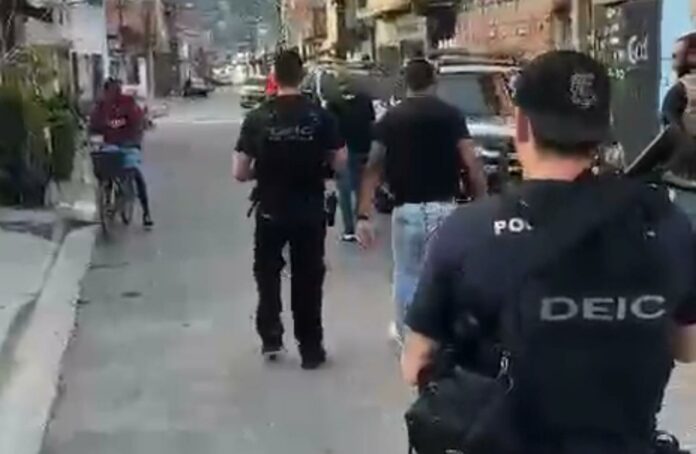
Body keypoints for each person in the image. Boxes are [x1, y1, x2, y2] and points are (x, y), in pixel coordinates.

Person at [403, 50, 696, 453]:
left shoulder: (467, 231)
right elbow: (687, 346)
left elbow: (415, 364)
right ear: (601, 131)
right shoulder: (663, 223)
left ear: (522, 125)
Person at [356, 58, 488, 345]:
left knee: (407, 274)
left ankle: (409, 338)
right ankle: (445, 334)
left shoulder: (391, 119)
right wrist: (482, 202)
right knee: (446, 274)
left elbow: (373, 167)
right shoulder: (451, 116)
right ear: (434, 81)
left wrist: (364, 215)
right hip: (445, 208)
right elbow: (471, 162)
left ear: (407, 82)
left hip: (407, 209)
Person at [233, 50, 346, 370]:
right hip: (309, 209)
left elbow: (239, 171)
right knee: (308, 279)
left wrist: (261, 172)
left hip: (270, 209)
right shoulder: (320, 117)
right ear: (302, 76)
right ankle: (310, 349)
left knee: (267, 274)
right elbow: (340, 161)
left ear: (274, 76)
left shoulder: (257, 117)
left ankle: (271, 337)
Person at [90, 78, 154, 228]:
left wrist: (135, 137)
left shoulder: (127, 103)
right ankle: (106, 200)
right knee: (105, 168)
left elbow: (138, 122)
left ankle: (146, 212)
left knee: (135, 172)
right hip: (110, 145)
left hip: (128, 144)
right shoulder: (100, 106)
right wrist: (93, 136)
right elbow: (93, 125)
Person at [327, 73, 376, 242]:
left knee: (345, 191)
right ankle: (361, 221)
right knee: (362, 188)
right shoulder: (365, 100)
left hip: (344, 150)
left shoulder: (333, 104)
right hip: (364, 148)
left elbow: (331, 130)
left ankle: (349, 229)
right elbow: (371, 123)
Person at [661, 32, 696, 226]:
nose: (674, 62)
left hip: (686, 176)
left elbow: (669, 125)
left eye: (677, 56)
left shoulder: (681, 89)